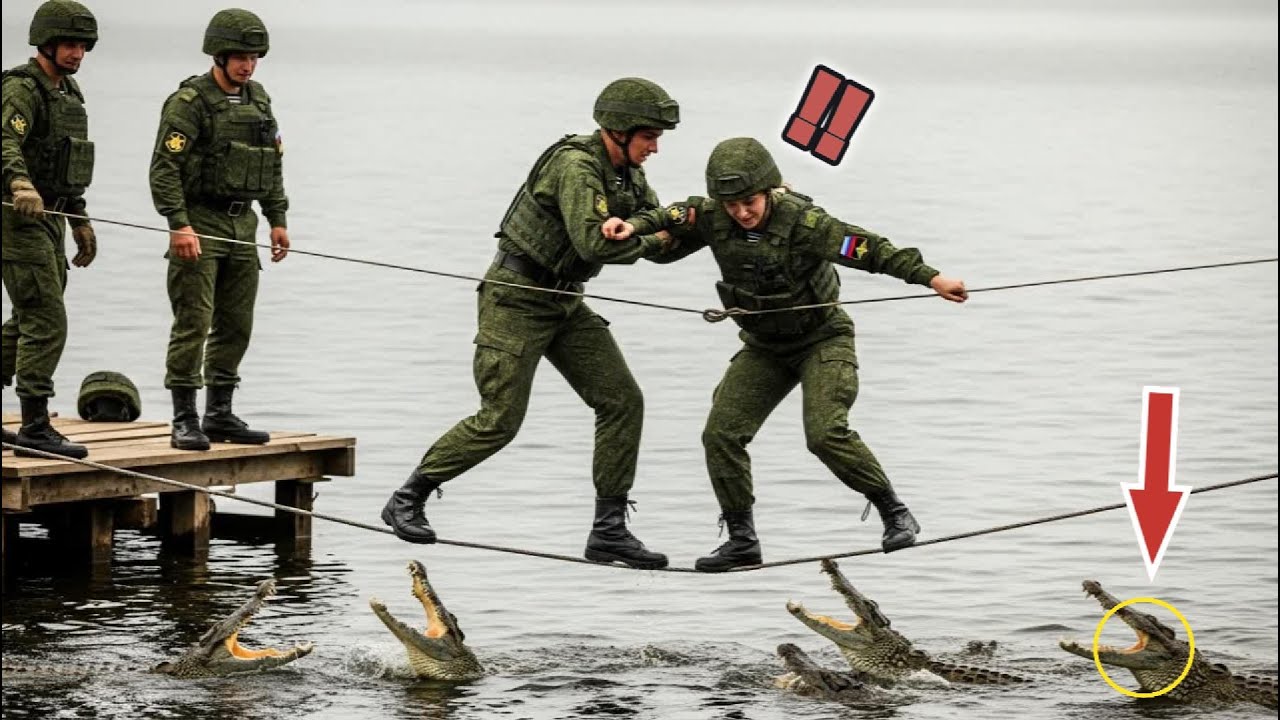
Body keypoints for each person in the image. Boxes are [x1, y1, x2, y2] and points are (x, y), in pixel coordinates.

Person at [604, 137, 968, 571]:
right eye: (732, 204)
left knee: (824, 433)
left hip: (822, 339)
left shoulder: (807, 223)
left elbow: (871, 250)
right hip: (764, 348)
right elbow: (673, 215)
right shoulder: (711, 215)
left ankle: (895, 513)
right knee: (721, 434)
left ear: (770, 191)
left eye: (749, 201)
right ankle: (742, 539)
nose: (741, 212)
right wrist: (634, 228)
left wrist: (932, 278)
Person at [381, 78, 680, 569]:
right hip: (516, 299)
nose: (656, 147)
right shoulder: (576, 165)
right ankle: (408, 497)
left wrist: (643, 227)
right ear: (619, 130)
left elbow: (652, 214)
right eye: (649, 135)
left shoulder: (625, 173)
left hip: (564, 301)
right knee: (500, 419)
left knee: (622, 400)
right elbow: (595, 246)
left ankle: (609, 530)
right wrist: (650, 237)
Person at [149, 8, 290, 452]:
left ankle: (220, 411)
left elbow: (271, 163)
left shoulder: (259, 99)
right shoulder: (190, 103)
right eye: (240, 56)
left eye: (254, 57)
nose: (248, 65)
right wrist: (179, 224)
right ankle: (184, 417)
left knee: (236, 323)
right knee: (194, 320)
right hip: (200, 221)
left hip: (241, 223)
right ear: (221, 54)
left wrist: (278, 219)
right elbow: (163, 169)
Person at [1, 0, 100, 459]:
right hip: (16, 217)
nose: (76, 53)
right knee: (46, 319)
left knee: (27, 317)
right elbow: (4, 140)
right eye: (69, 44)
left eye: (82, 45)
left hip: (52, 218)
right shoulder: (23, 90)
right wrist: (19, 182)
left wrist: (79, 218)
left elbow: (66, 160)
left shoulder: (68, 94)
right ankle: (35, 426)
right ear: (45, 42)